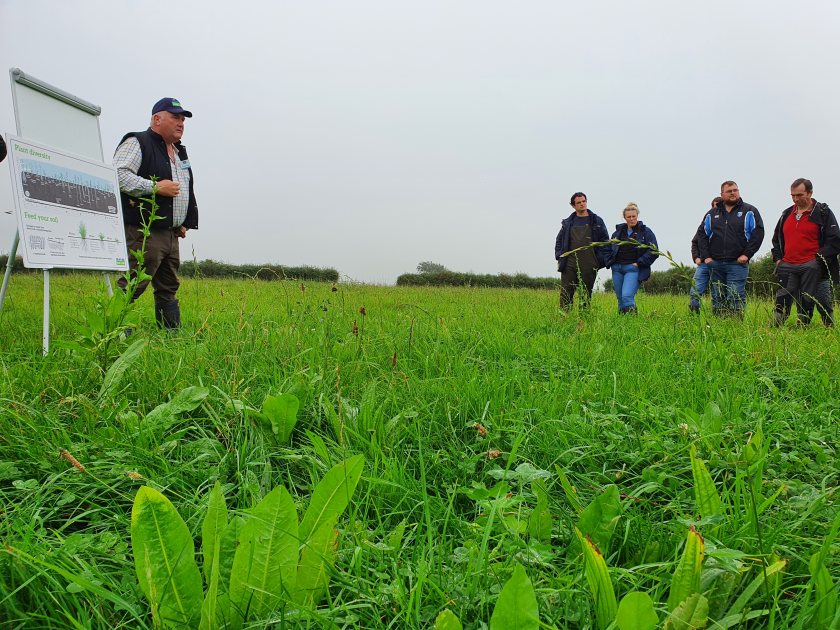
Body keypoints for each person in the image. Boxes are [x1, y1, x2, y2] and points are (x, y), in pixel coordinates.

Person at [113, 97, 199, 329]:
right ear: (156, 119)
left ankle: (171, 335)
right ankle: (112, 332)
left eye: (183, 119)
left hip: (171, 233)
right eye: (175, 117)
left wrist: (184, 222)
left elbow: (186, 188)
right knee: (135, 282)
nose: (181, 123)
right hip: (146, 228)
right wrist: (155, 187)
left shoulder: (180, 152)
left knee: (169, 285)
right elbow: (118, 174)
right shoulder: (138, 142)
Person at [771, 178, 840, 326]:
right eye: (793, 195)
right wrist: (778, 259)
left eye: (799, 195)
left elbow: (834, 240)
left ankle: (829, 331)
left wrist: (818, 260)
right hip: (788, 265)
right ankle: (775, 330)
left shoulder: (823, 212)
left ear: (810, 193)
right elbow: (776, 239)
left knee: (820, 300)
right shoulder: (786, 214)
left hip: (814, 266)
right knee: (782, 299)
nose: (795, 199)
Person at [694, 181, 764, 317]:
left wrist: (747, 254)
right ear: (722, 194)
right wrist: (706, 257)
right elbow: (701, 235)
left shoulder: (749, 211)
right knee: (718, 295)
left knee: (735, 295)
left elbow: (758, 233)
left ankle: (736, 327)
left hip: (737, 263)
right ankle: (720, 326)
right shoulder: (712, 213)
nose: (733, 193)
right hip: (715, 263)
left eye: (735, 190)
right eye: (729, 191)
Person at [555, 192, 610, 310]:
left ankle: (583, 321)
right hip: (569, 262)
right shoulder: (568, 222)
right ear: (573, 206)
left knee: (585, 293)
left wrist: (599, 261)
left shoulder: (596, 221)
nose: (582, 204)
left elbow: (605, 242)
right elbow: (559, 240)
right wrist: (559, 255)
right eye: (578, 202)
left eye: (584, 201)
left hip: (589, 263)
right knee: (566, 292)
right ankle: (564, 318)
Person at [605, 203, 659, 313]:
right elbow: (609, 249)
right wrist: (610, 262)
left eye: (633, 216)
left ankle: (633, 323)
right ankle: (623, 325)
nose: (631, 219)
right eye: (629, 217)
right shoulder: (617, 233)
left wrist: (639, 263)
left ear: (637, 216)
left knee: (627, 297)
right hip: (617, 269)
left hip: (632, 269)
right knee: (620, 299)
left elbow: (654, 251)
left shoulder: (645, 232)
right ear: (624, 218)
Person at [689, 196, 722, 313]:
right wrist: (696, 257)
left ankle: (717, 318)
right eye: (714, 206)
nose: (717, 208)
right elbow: (695, 242)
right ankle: (693, 317)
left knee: (717, 293)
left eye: (719, 205)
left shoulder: (728, 224)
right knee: (695, 292)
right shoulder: (705, 222)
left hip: (719, 263)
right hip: (703, 264)